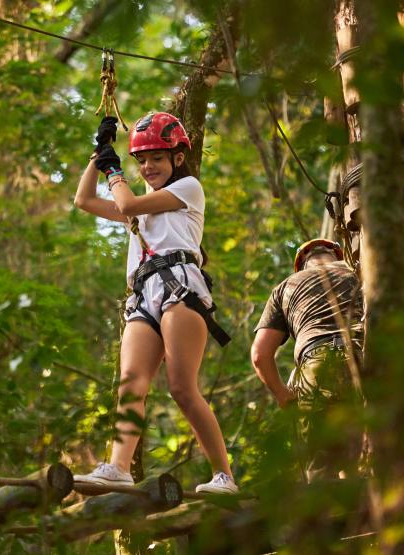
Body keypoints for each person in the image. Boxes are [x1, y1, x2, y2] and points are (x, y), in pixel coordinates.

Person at [72, 112, 237, 494]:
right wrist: (99, 157)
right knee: (131, 385)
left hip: (180, 289)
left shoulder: (188, 189)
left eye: (157, 159)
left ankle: (224, 475)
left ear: (177, 159)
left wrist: (115, 172)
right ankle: (118, 468)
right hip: (143, 295)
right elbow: (83, 199)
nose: (147, 167)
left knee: (181, 388)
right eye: (142, 161)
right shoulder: (141, 205)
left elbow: (126, 204)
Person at [251, 239, 364, 482]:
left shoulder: (286, 287)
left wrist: (283, 395)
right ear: (336, 255)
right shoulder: (359, 270)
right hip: (370, 354)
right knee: (373, 454)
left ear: (302, 264)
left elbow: (260, 355)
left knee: (322, 468)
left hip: (319, 365)